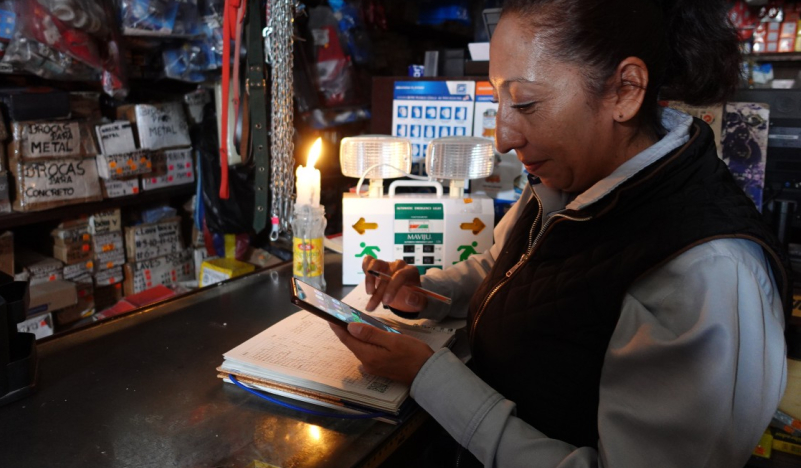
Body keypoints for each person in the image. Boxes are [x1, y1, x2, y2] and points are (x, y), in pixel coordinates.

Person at [329, 1, 793, 467]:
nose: (503, 137)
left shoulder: (706, 273)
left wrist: (430, 377)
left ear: (625, 90)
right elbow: (509, 265)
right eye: (497, 101)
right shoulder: (569, 181)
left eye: (527, 103)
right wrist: (429, 291)